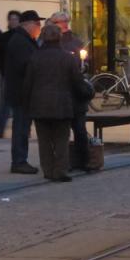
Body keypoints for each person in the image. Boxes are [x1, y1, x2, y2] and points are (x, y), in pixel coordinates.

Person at [22, 24, 88, 182]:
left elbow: (27, 84)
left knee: (44, 140)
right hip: (62, 104)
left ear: (43, 37)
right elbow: (77, 81)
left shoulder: (35, 57)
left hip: (39, 105)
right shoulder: (68, 58)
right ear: (59, 37)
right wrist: (85, 93)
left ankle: (48, 170)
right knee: (61, 139)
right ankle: (60, 171)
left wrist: (26, 105)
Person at [49, 11, 91, 170]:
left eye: (66, 21)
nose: (65, 24)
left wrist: (84, 65)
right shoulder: (50, 42)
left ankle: (84, 160)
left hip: (75, 93)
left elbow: (85, 64)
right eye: (61, 21)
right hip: (60, 93)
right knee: (61, 131)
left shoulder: (75, 41)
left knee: (80, 129)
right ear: (54, 24)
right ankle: (63, 162)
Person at [4, 10, 44, 174]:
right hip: (21, 91)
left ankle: (20, 160)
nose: (39, 27)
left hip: (22, 90)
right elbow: (27, 66)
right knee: (21, 127)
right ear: (28, 24)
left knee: (23, 126)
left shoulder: (25, 39)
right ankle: (19, 161)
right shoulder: (21, 41)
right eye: (37, 23)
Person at [0, 10, 21, 138]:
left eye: (15, 19)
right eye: (11, 19)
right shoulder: (5, 37)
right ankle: (1, 128)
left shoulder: (22, 37)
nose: (13, 21)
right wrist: (3, 70)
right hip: (8, 74)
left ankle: (19, 128)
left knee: (16, 103)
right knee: (6, 102)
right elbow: (0, 56)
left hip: (20, 75)